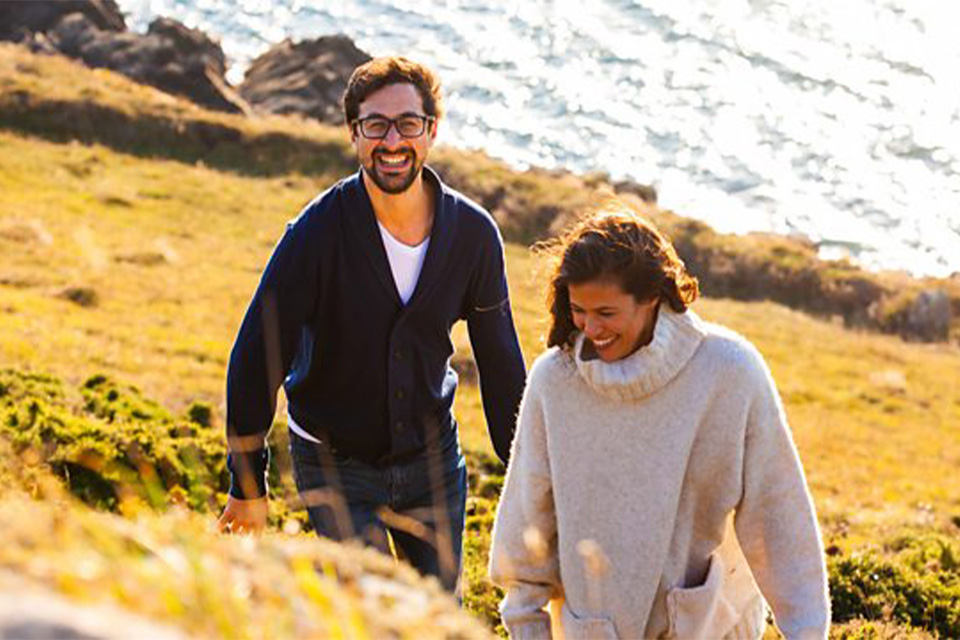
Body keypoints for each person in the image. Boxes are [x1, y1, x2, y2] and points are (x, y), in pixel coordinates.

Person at [218, 56, 527, 592]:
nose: (392, 141)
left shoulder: (474, 237)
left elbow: (502, 367)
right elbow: (255, 356)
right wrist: (248, 484)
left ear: (430, 131)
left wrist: (529, 482)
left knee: (438, 615)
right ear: (353, 134)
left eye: (408, 123)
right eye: (375, 125)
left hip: (432, 463)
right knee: (366, 609)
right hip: (333, 465)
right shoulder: (315, 234)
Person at [489, 204, 829, 638]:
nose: (590, 328)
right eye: (579, 310)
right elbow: (526, 521)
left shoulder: (730, 371)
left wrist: (807, 631)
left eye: (607, 313)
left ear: (652, 297)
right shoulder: (554, 382)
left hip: (708, 627)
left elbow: (779, 516)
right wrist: (527, 629)